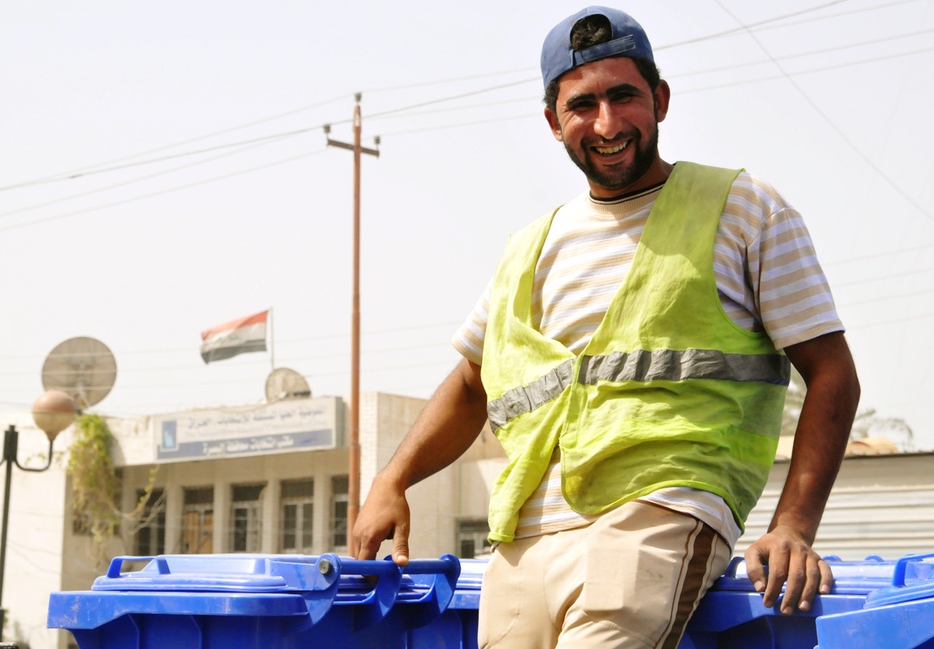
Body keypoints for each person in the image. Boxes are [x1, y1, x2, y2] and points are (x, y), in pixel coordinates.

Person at [352, 6, 860, 648]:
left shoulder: (743, 210)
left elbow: (833, 374)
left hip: (661, 512)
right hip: (526, 540)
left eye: (625, 96)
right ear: (552, 121)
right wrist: (390, 481)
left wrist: (793, 526)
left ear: (661, 99)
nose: (608, 123)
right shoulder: (529, 249)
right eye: (582, 104)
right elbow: (471, 382)